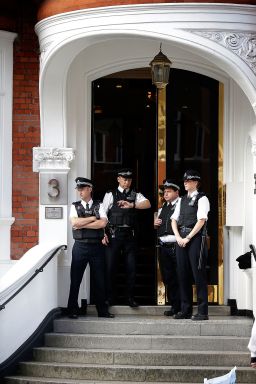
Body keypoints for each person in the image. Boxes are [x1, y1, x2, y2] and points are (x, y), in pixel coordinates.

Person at [103, 168, 151, 307]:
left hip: (130, 235)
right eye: (124, 179)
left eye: (129, 179)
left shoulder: (135, 194)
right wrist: (103, 233)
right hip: (114, 234)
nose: (127, 181)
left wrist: (132, 204)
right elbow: (103, 214)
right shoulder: (111, 194)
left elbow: (147, 204)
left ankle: (130, 298)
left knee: (131, 268)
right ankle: (110, 298)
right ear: (118, 179)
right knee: (111, 267)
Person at [67, 177, 114, 319]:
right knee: (75, 279)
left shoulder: (99, 205)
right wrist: (93, 218)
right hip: (80, 246)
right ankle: (72, 310)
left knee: (99, 279)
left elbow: (103, 224)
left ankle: (102, 311)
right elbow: (74, 223)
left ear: (90, 189)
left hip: (96, 247)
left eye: (82, 189)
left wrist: (82, 224)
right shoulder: (74, 206)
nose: (79, 191)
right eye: (78, 189)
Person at [171, 169, 210, 321]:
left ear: (195, 182)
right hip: (181, 238)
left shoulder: (202, 198)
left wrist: (187, 237)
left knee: (198, 275)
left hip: (195, 239)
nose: (185, 183)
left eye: (188, 181)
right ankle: (185, 309)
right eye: (185, 181)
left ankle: (202, 312)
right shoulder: (181, 200)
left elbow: (201, 221)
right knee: (182, 274)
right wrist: (178, 237)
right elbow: (174, 219)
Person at [154, 179, 181, 316]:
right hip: (163, 246)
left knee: (180, 276)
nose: (165, 194)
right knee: (168, 277)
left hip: (177, 246)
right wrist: (155, 223)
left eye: (169, 191)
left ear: (177, 192)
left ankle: (183, 307)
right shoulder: (163, 207)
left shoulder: (182, 204)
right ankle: (174, 306)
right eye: (164, 191)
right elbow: (158, 226)